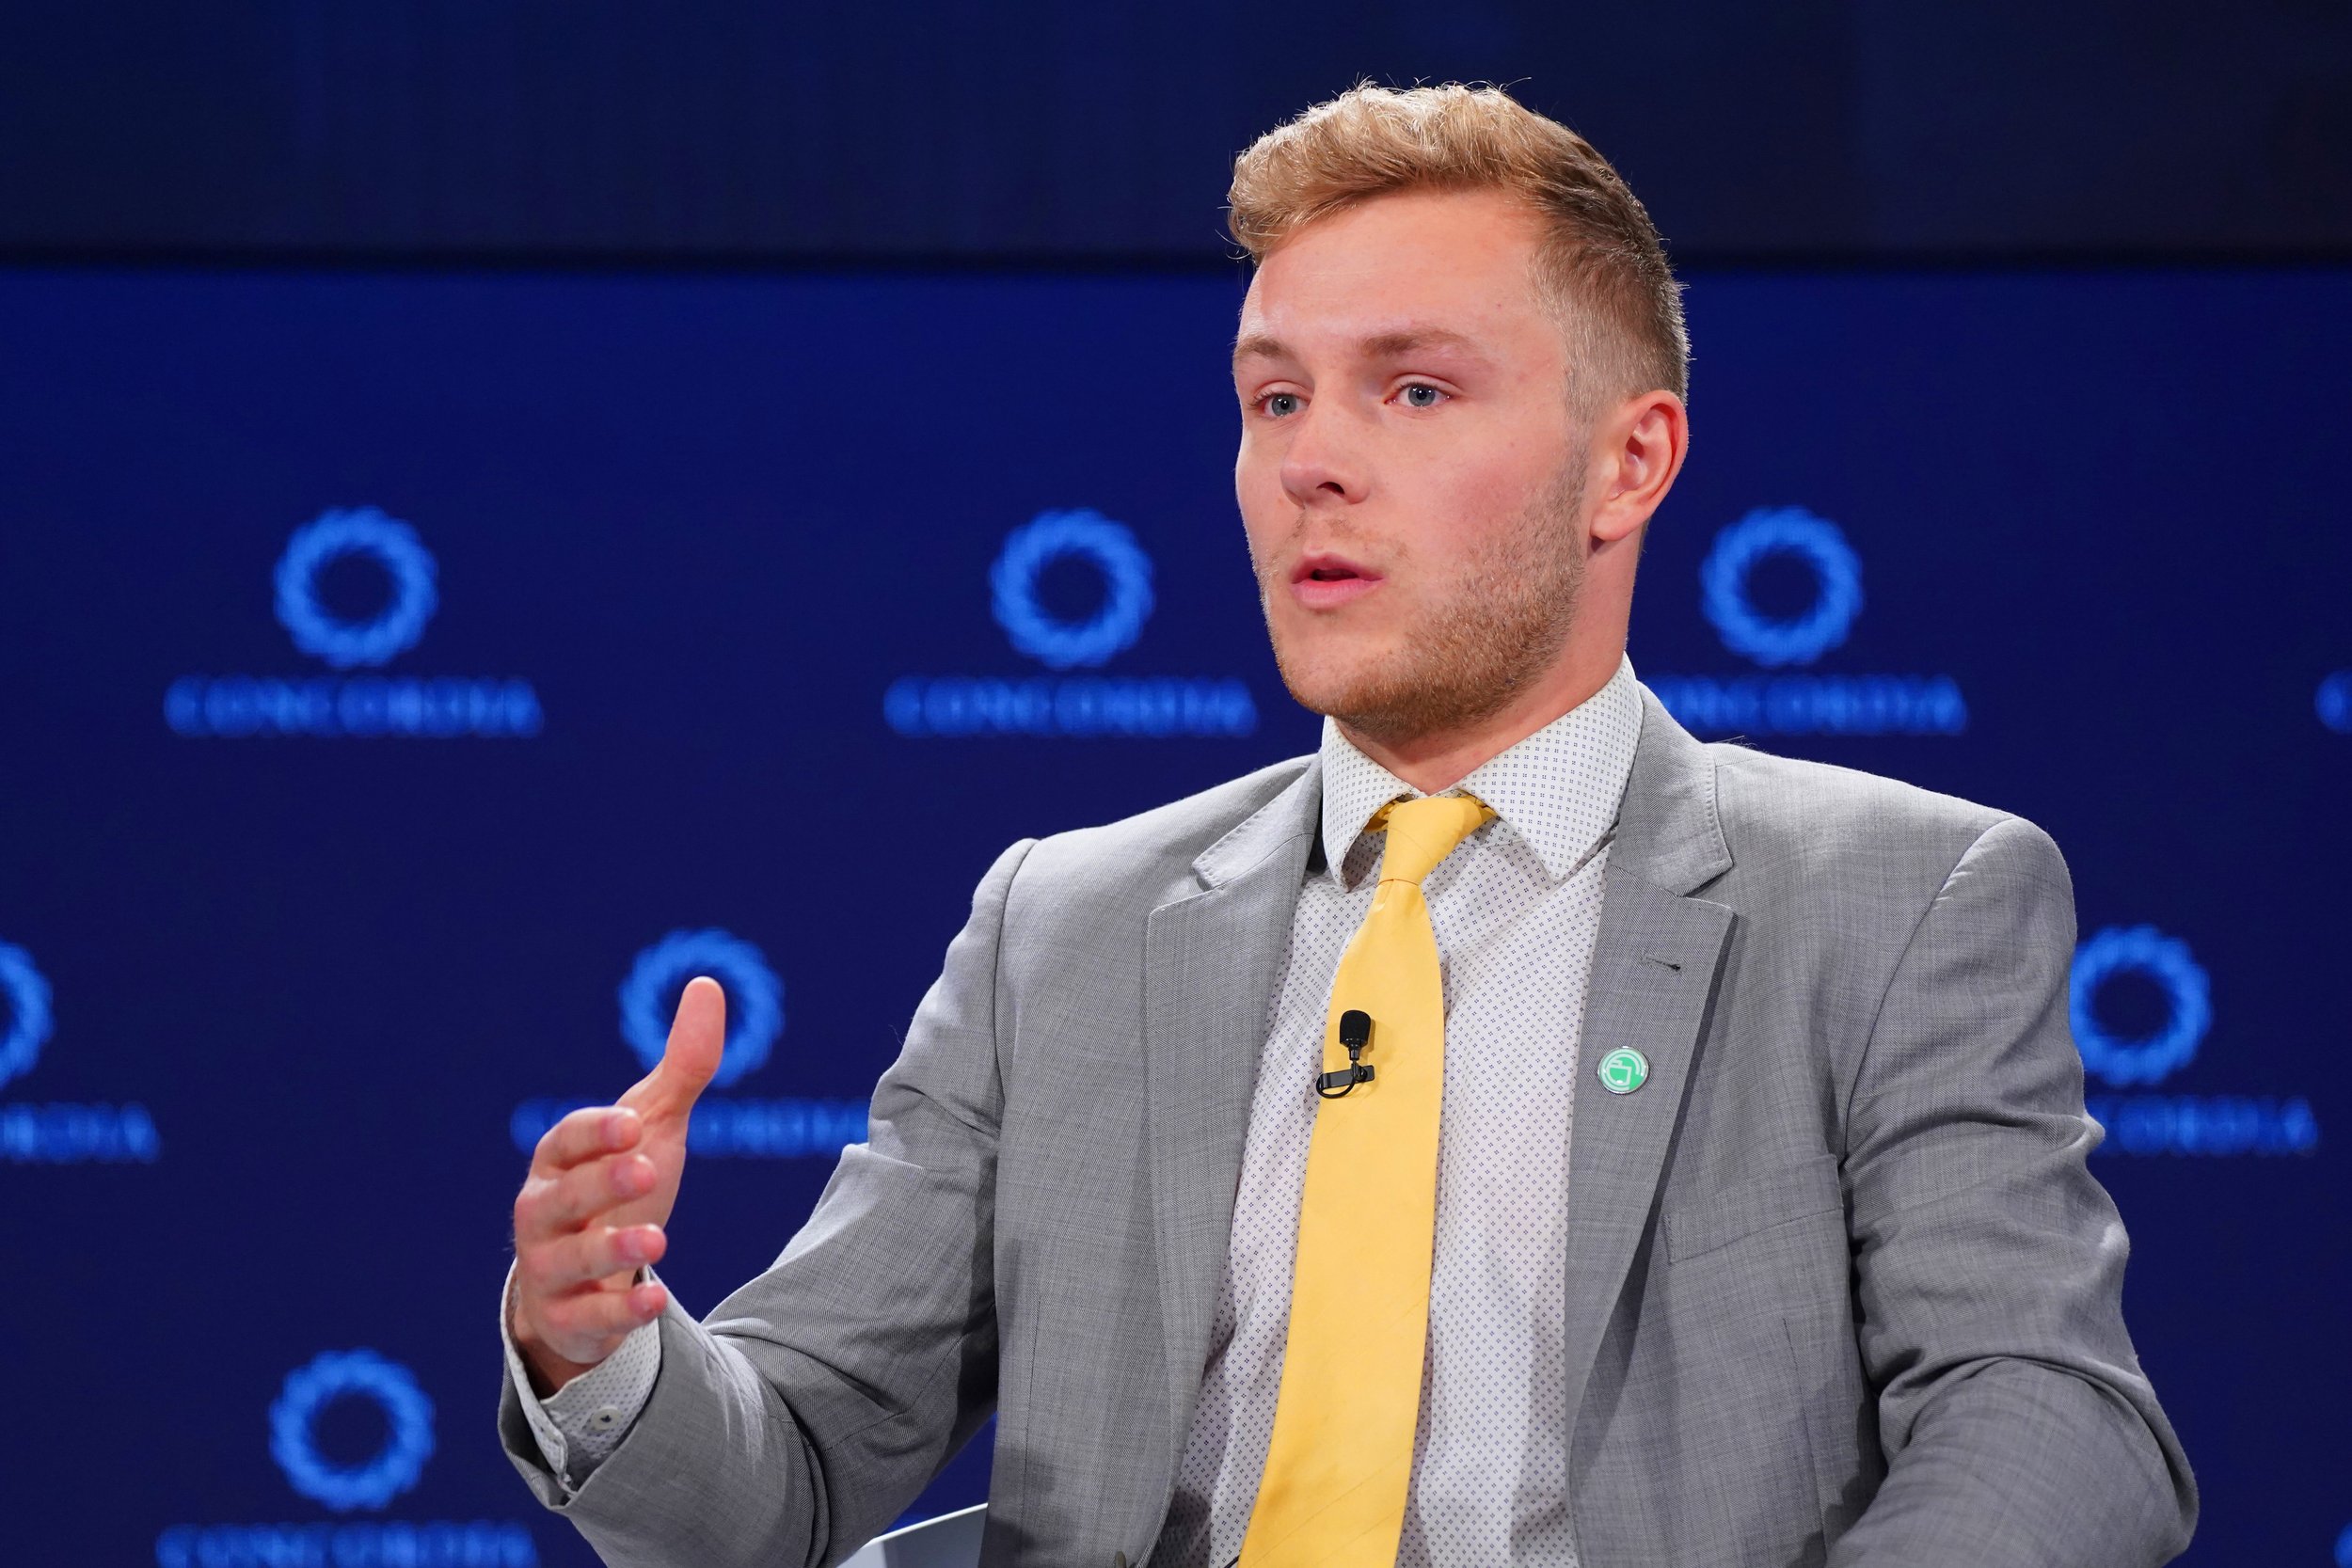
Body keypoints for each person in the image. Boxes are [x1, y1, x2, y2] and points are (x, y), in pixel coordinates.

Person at [496, 83, 2197, 1568]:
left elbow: (2048, 1418)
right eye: (1276, 398)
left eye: (1415, 392)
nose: (1313, 463)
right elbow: (784, 1479)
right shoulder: (1065, 927)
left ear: (1630, 464)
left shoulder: (1894, 902)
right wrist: (606, 1353)